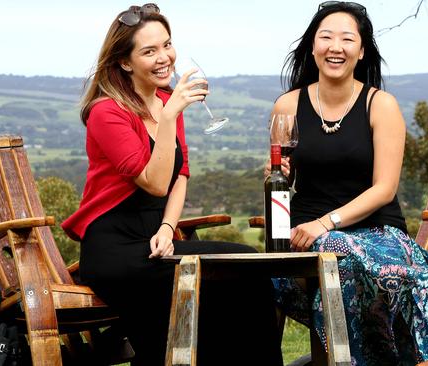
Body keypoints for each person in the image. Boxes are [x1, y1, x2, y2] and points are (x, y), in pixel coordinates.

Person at [62, 4, 282, 365]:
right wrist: (169, 116)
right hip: (115, 251)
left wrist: (167, 227)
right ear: (125, 62)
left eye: (166, 44)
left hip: (157, 242)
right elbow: (154, 183)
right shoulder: (107, 112)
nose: (164, 57)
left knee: (249, 268)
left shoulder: (165, 102)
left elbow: (181, 174)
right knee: (215, 290)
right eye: (149, 51)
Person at [268, 2, 428, 365]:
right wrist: (277, 173)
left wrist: (327, 224)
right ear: (312, 47)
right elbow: (284, 179)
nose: (335, 47)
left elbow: (384, 189)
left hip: (377, 233)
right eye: (325, 37)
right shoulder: (287, 106)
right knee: (278, 269)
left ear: (361, 51)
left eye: (346, 39)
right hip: (305, 234)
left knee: (339, 253)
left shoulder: (381, 105)